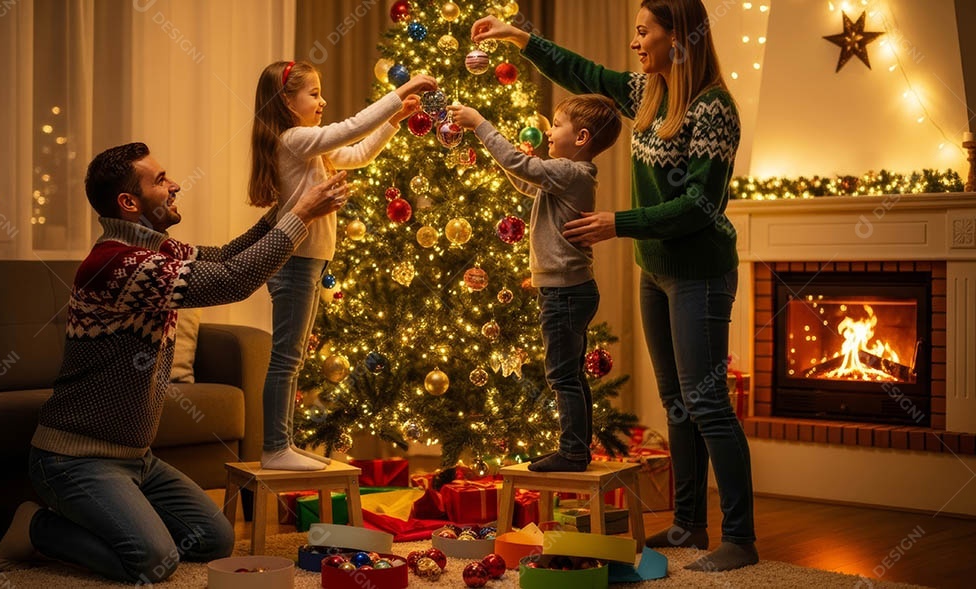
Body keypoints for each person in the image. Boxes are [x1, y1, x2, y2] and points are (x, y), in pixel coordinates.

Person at [472, 0, 757, 572]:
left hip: (700, 270)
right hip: (655, 269)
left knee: (707, 404)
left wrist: (617, 223)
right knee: (677, 403)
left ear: (680, 38)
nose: (636, 42)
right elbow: (584, 75)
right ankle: (687, 524)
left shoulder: (713, 109)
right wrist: (519, 38)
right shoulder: (648, 94)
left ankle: (741, 538)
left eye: (644, 31)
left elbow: (700, 205)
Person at [0, 142, 349, 583]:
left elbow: (224, 256)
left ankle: (127, 513)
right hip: (74, 461)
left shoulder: (159, 251)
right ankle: (36, 527)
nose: (175, 184)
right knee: (150, 562)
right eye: (160, 180)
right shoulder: (114, 265)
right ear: (129, 202)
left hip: (137, 459)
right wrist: (302, 219)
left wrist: (286, 207)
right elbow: (232, 280)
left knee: (214, 541)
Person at [247, 60, 436, 471]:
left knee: (292, 358)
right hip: (294, 262)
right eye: (313, 94)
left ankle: (282, 444)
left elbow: (356, 154)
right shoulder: (295, 138)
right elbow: (349, 128)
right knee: (286, 358)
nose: (323, 100)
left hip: (308, 261)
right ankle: (275, 447)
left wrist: (394, 121)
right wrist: (399, 95)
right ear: (286, 101)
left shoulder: (306, 142)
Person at [448, 95, 621, 472]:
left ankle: (573, 452)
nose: (549, 129)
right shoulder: (565, 176)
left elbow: (517, 163)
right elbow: (526, 181)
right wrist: (513, 162)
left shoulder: (570, 173)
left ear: (582, 137)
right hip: (568, 290)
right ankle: (576, 448)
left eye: (557, 124)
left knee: (562, 375)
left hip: (564, 292)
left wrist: (479, 122)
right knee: (570, 373)